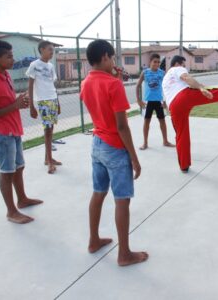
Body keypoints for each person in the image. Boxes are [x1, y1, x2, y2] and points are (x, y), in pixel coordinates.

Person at [80, 39, 148, 266]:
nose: (114, 62)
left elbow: (99, 101)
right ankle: (124, 254)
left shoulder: (86, 82)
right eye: (112, 58)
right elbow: (121, 126)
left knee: (98, 193)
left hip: (97, 143)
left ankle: (93, 240)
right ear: (105, 57)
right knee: (122, 201)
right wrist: (134, 158)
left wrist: (113, 78)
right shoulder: (113, 85)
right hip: (115, 147)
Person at [0, 40, 43, 224]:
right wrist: (14, 105)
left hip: (13, 130)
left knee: (19, 167)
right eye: (8, 56)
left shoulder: (5, 75)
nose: (12, 59)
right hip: (2, 133)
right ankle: (11, 211)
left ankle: (22, 199)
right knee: (7, 172)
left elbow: (6, 104)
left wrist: (17, 102)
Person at [26, 41, 61, 174]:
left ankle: (48, 158)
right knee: (47, 130)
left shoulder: (51, 66)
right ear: (41, 50)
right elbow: (30, 85)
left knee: (51, 129)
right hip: (43, 101)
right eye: (49, 50)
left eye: (53, 50)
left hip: (52, 99)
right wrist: (31, 106)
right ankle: (49, 162)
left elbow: (53, 85)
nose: (52, 52)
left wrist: (58, 103)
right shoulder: (34, 65)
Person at [136, 53, 174, 150]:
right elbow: (138, 85)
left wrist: (165, 100)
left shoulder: (162, 73)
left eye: (158, 62)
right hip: (148, 102)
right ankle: (145, 143)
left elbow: (167, 87)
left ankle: (165, 141)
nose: (156, 64)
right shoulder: (145, 73)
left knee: (162, 121)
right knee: (146, 122)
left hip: (159, 101)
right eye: (154, 62)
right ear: (150, 62)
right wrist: (139, 100)